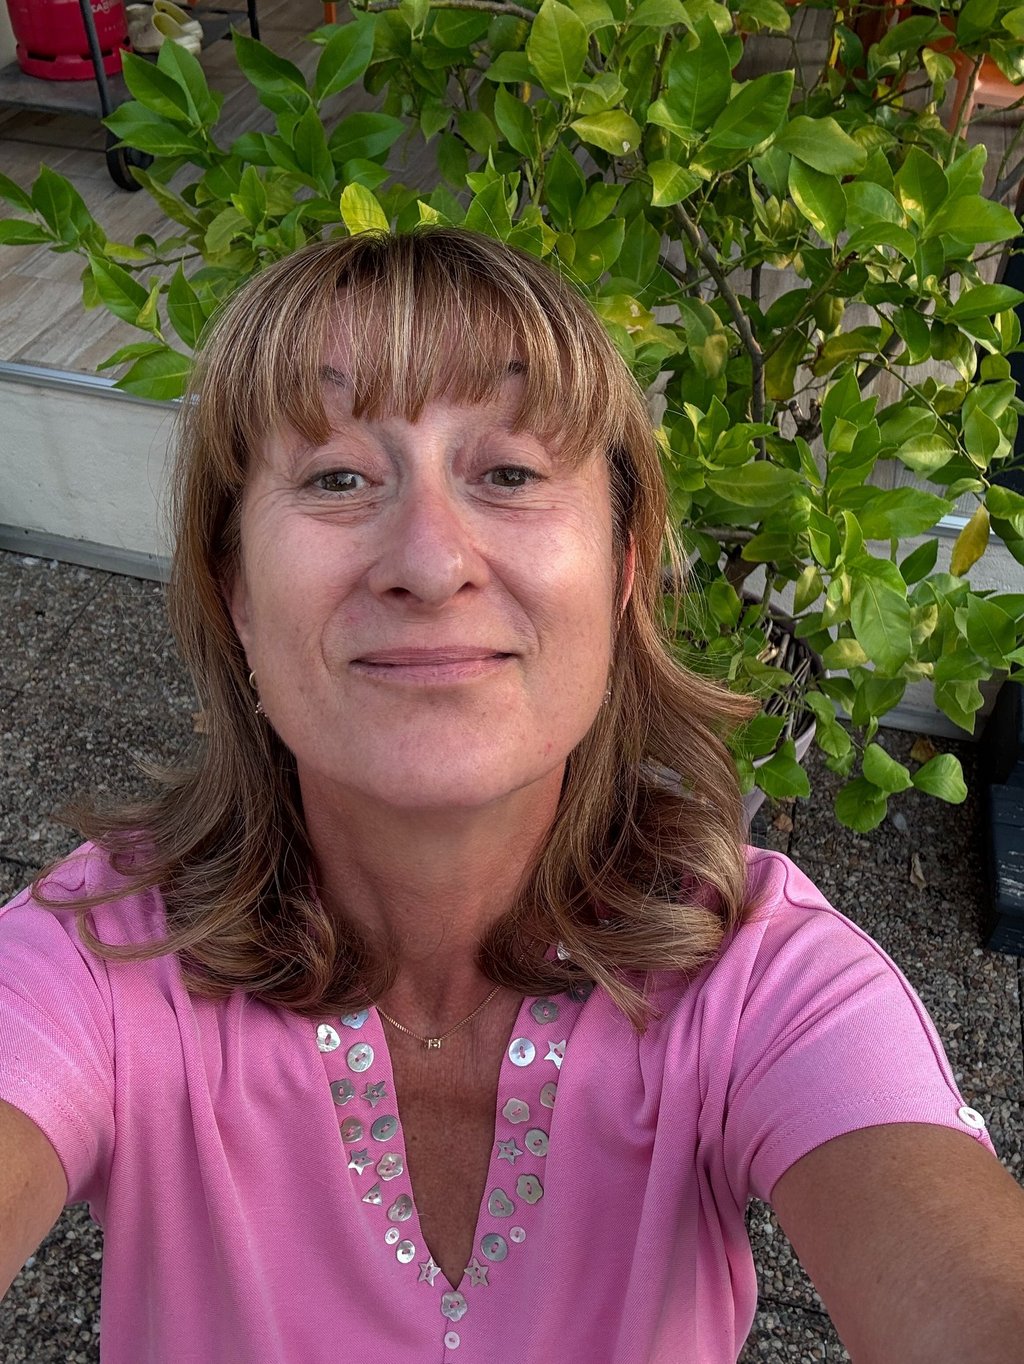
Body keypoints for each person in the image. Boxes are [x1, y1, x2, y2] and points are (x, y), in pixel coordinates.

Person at [1, 227, 1022, 1364]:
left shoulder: (761, 984)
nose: (430, 562)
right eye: (337, 477)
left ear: (624, 568)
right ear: (235, 590)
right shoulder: (95, 964)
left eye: (509, 474)